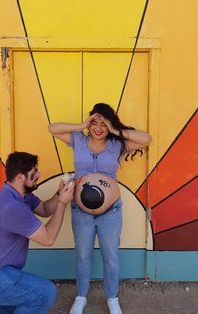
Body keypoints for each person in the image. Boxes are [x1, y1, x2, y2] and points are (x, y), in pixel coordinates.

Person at [48, 103, 152, 314]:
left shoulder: (117, 144)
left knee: (111, 256)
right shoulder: (78, 140)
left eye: (103, 123)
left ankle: (112, 298)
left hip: (111, 213)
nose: (97, 127)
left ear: (109, 125)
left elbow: (146, 139)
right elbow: (52, 128)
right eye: (94, 122)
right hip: (80, 212)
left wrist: (115, 130)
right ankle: (81, 296)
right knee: (83, 256)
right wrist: (81, 124)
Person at [0, 151, 74, 314]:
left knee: (17, 301)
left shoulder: (18, 194)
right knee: (44, 294)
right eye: (34, 172)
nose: (39, 174)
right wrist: (63, 203)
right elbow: (48, 238)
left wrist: (59, 194)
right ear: (20, 177)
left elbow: (44, 209)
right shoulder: (12, 207)